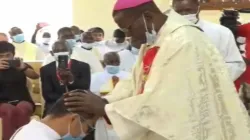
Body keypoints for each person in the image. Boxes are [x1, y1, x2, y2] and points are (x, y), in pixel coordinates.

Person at [64, 0, 250, 140]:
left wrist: (105, 108)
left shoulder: (184, 41)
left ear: (148, 17)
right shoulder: (156, 41)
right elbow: (136, 84)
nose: (128, 35)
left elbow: (168, 102)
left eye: (128, 28)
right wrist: (104, 102)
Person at [172, 0, 245, 81]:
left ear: (198, 7)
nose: (184, 14)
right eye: (179, 11)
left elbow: (236, 65)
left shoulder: (221, 32)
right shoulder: (167, 34)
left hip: (215, 88)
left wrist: (211, 77)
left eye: (188, 10)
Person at [0, 41, 39, 140]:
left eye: (8, 55)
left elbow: (35, 76)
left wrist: (23, 68)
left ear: (13, 55)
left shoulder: (20, 65)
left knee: (23, 108)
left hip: (23, 100)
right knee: (8, 109)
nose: (5, 58)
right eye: (1, 56)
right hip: (2, 102)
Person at [11, 95, 96, 140]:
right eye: (89, 128)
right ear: (74, 119)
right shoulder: (39, 137)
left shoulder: (32, 130)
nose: (85, 134)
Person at [40, 41, 91, 116]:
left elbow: (85, 87)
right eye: (57, 51)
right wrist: (65, 100)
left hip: (78, 101)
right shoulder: (46, 69)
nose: (61, 53)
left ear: (70, 51)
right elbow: (47, 95)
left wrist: (71, 80)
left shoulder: (83, 66)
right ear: (52, 53)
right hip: (55, 103)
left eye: (64, 50)